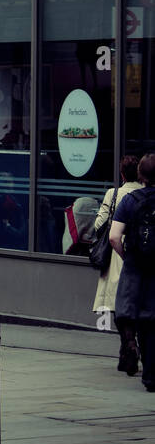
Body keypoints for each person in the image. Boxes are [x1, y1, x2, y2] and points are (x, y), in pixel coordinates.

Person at [108, 153, 155, 392]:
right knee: (152, 319)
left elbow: (114, 237)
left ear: (141, 175)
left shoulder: (130, 200)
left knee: (129, 313)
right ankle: (151, 374)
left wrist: (127, 257)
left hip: (135, 265)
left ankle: (130, 344)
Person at [95, 155, 142, 375]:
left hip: (117, 255)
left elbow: (99, 224)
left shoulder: (113, 194)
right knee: (140, 304)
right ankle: (135, 345)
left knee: (119, 305)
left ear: (122, 174)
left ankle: (127, 345)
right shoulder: (145, 194)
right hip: (141, 254)